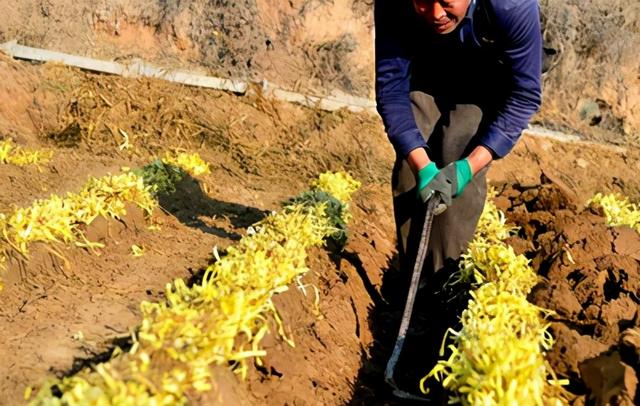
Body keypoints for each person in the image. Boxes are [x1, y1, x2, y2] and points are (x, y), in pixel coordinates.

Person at [375, 0, 542, 275]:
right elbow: (391, 89)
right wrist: (422, 165)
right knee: (410, 167)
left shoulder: (512, 6)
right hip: (425, 66)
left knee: (459, 143)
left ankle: (444, 282)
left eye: (447, 2)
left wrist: (467, 169)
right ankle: (411, 280)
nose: (437, 14)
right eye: (423, 3)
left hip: (487, 72)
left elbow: (524, 96)